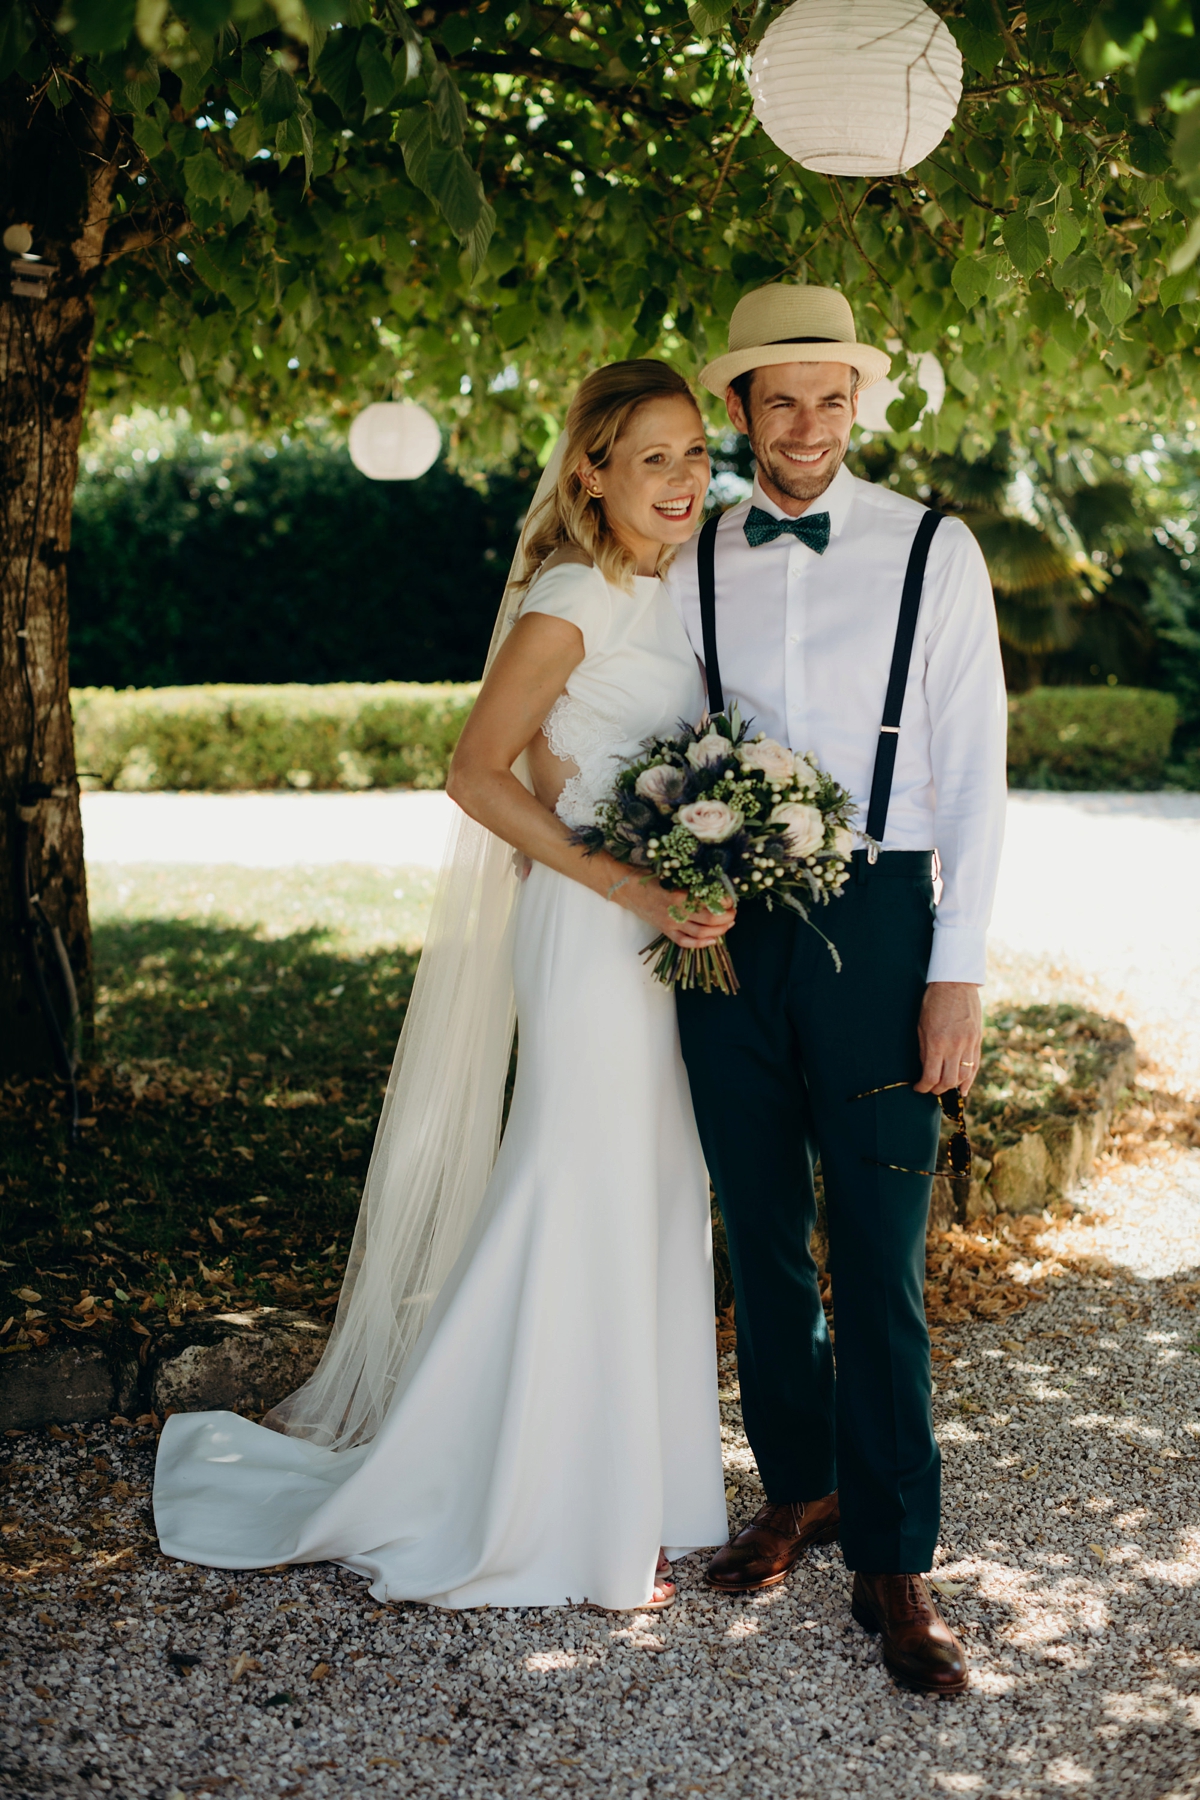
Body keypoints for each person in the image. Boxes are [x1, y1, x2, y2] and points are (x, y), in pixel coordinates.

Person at [152, 361, 733, 1612]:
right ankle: (537, 1501)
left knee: (652, 1190)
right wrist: (627, 886)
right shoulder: (574, 594)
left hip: (655, 931)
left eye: (695, 454)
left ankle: (640, 1484)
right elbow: (475, 773)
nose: (684, 480)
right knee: (575, 1184)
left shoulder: (678, 590)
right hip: (590, 935)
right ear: (592, 471)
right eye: (654, 459)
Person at [666, 284, 1007, 1694]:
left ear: (856, 406)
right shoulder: (690, 555)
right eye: (779, 400)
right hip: (725, 927)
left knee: (876, 1247)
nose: (807, 427)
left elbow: (979, 774)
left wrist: (958, 973)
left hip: (879, 916)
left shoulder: (934, 549)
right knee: (757, 1229)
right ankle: (796, 1490)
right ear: (739, 410)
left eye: (831, 398)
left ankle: (897, 1554)